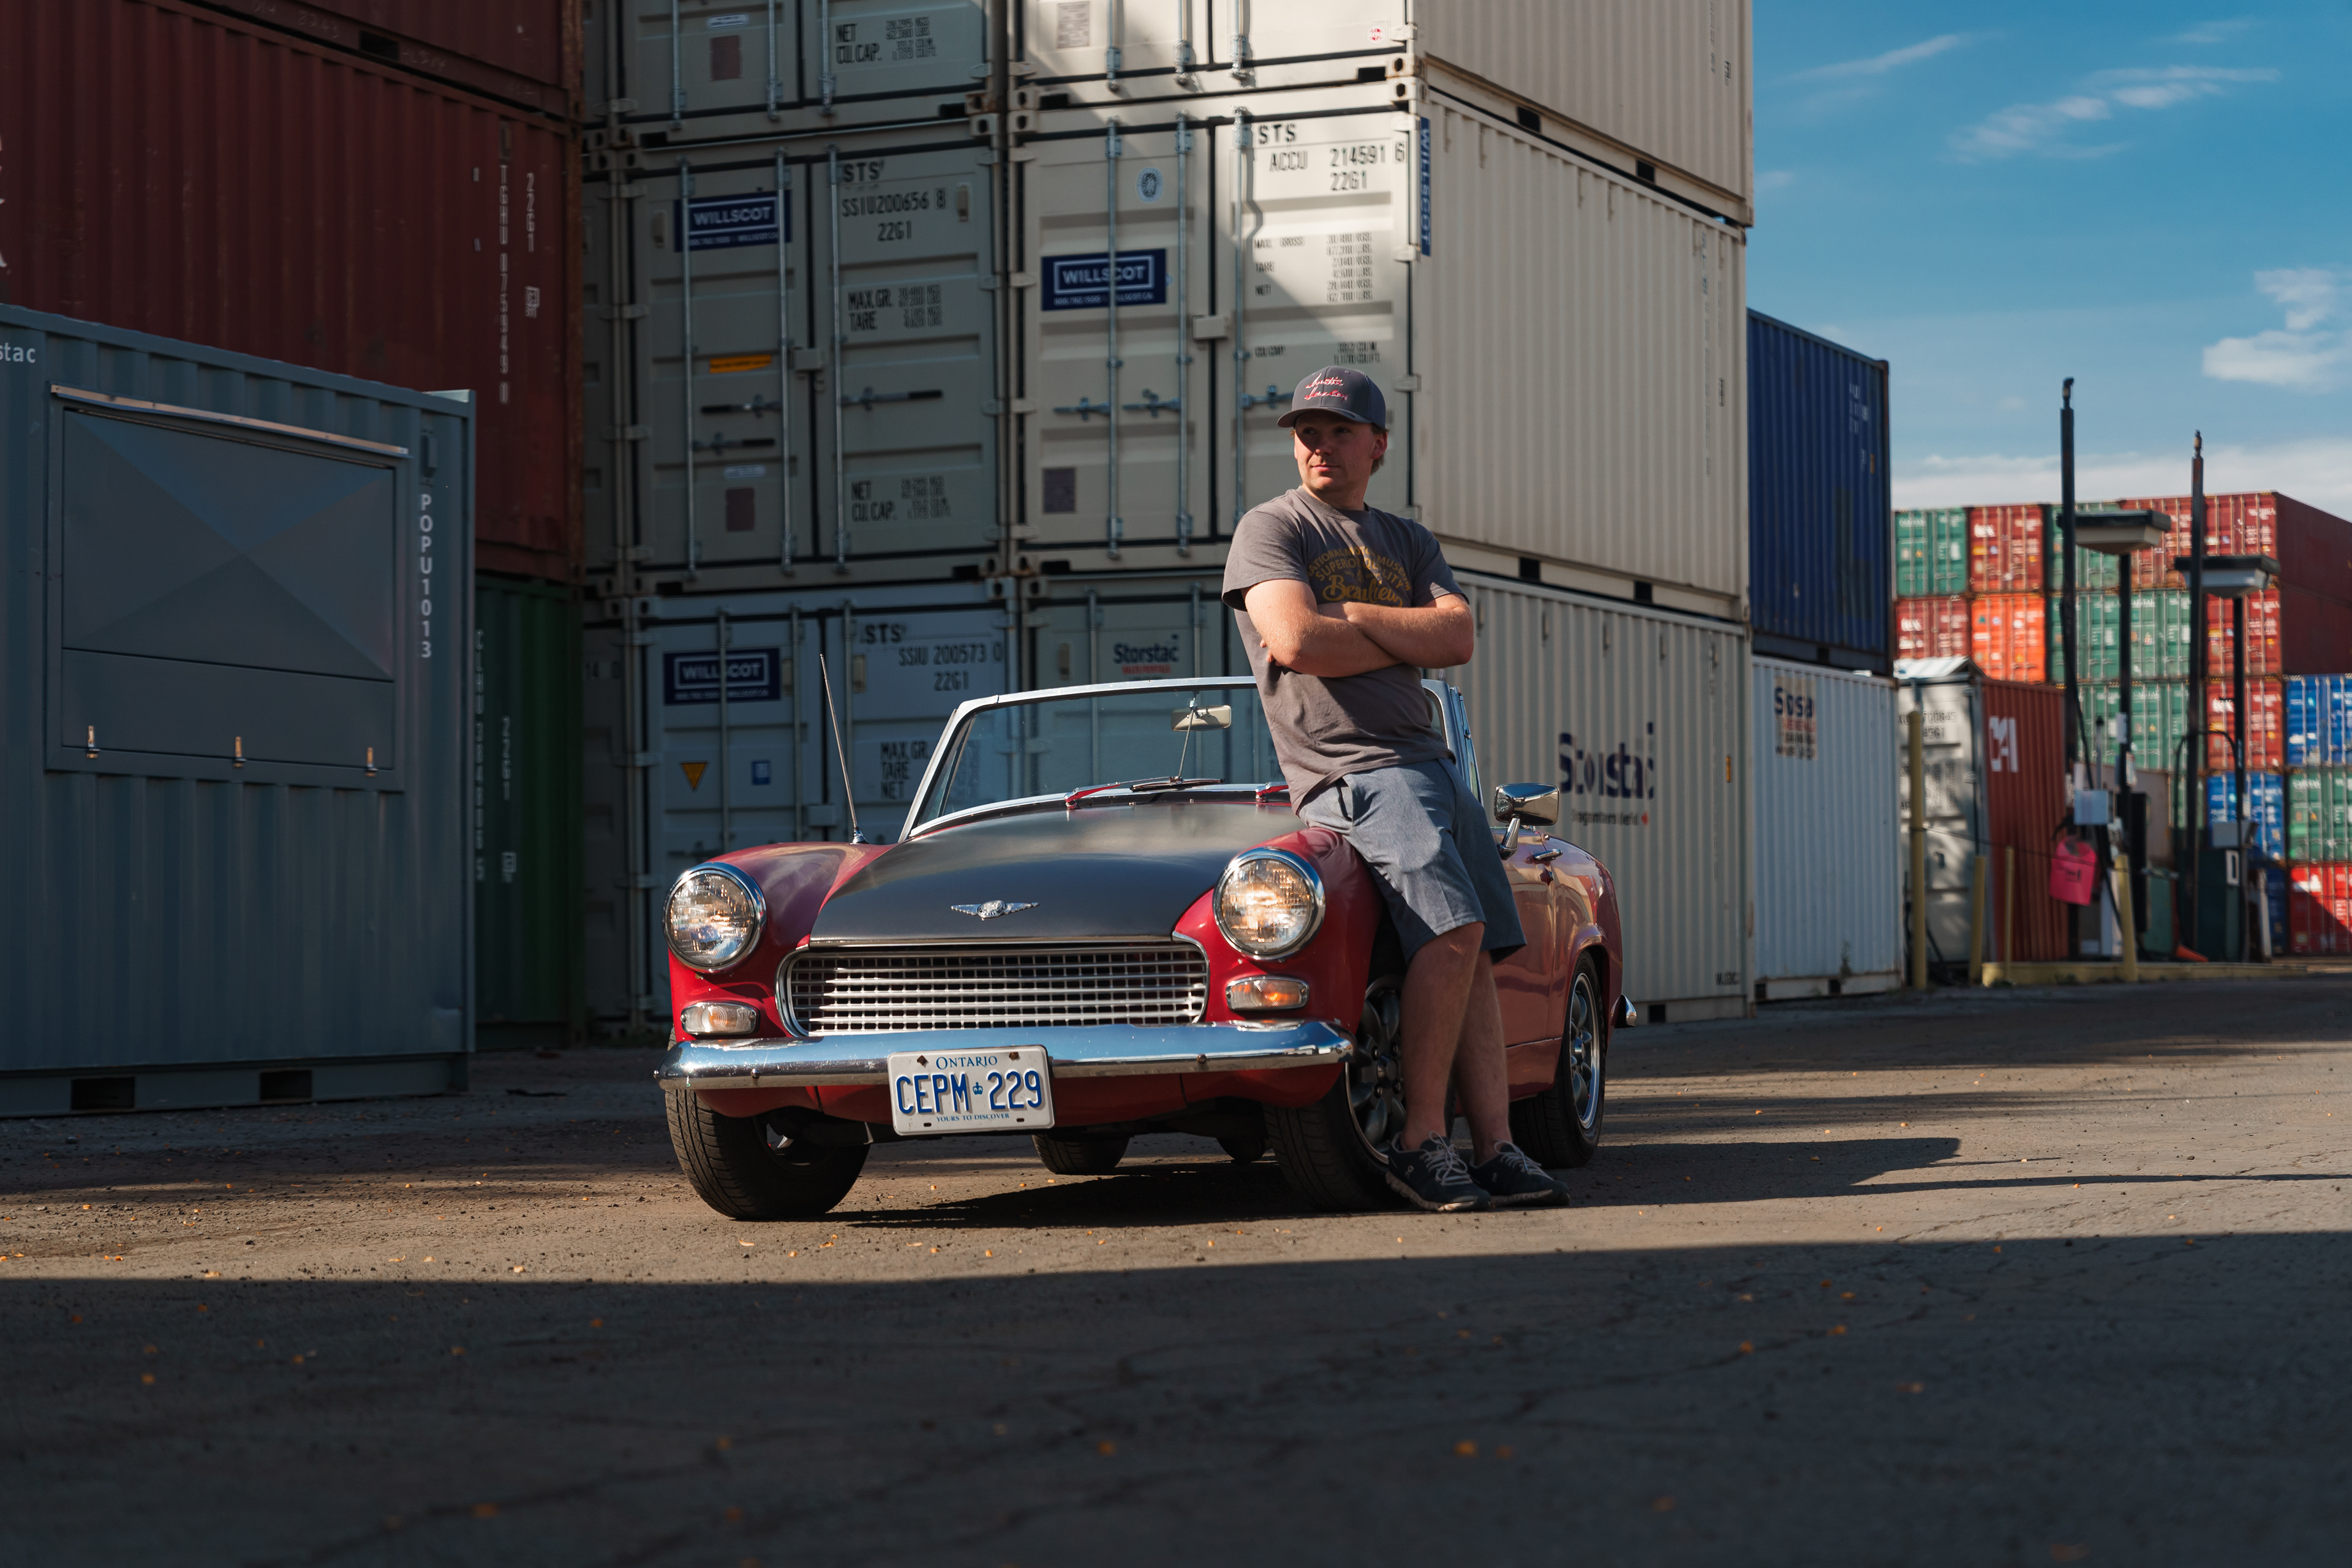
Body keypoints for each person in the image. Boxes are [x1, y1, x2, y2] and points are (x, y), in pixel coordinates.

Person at [1221, 366, 1570, 1213]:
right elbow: (1297, 641)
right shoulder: (1273, 528)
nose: (1319, 446)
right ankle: (1420, 1143)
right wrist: (1400, 633)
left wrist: (1356, 617)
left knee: (1477, 949)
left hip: (1432, 767)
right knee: (1451, 932)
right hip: (1356, 772)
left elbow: (1457, 638)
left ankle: (1497, 1149)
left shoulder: (1407, 540)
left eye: (1339, 431)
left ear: (1378, 444)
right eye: (1307, 432)